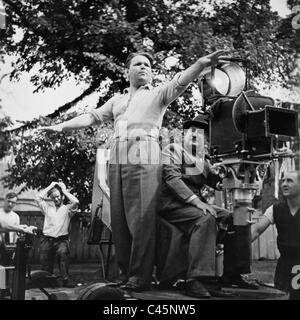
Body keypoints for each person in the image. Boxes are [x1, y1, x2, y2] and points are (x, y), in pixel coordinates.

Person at [38, 49, 228, 292]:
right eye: (138, 64)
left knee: (141, 220)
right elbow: (92, 117)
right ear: (127, 70)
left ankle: (140, 276)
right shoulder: (117, 100)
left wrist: (201, 63)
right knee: (119, 219)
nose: (144, 67)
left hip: (145, 152)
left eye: (147, 64)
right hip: (117, 153)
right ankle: (126, 273)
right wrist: (61, 126)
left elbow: (181, 81)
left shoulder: (159, 94)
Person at [159, 115, 258, 298]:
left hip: (192, 205)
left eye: (201, 133)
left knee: (236, 217)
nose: (195, 135)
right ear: (184, 134)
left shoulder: (202, 160)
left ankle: (233, 273)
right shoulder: (173, 149)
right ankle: (196, 279)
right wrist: (198, 203)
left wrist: (221, 173)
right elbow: (171, 178)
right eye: (191, 131)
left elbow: (216, 182)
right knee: (206, 218)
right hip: (172, 205)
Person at [251, 170, 300, 300]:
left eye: (289, 181)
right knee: (281, 296)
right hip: (284, 265)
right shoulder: (275, 209)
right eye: (283, 180)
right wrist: (238, 245)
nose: (284, 184)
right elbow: (257, 229)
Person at [35, 181, 79, 288]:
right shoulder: (47, 208)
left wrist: (64, 190)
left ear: (62, 196)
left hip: (61, 240)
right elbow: (37, 197)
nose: (56, 199)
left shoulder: (68, 209)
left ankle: (65, 279)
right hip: (47, 239)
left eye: (58, 196)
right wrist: (50, 185)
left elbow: (76, 201)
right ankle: (47, 281)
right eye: (53, 197)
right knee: (45, 261)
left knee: (63, 255)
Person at [0, 192, 36, 265]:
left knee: (7, 269)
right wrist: (21, 228)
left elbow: (15, 235)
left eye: (13, 202)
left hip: (9, 247)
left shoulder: (15, 217)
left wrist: (14, 250)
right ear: (4, 200)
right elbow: (2, 226)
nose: (10, 204)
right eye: (9, 201)